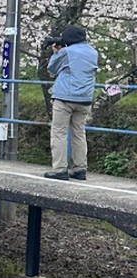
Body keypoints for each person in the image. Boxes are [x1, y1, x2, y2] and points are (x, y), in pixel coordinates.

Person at [44, 24, 99, 181]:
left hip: (64, 98)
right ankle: (80, 168)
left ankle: (60, 169)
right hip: (85, 99)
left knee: (59, 132)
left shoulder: (66, 52)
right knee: (79, 133)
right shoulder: (93, 52)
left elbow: (52, 69)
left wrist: (56, 52)